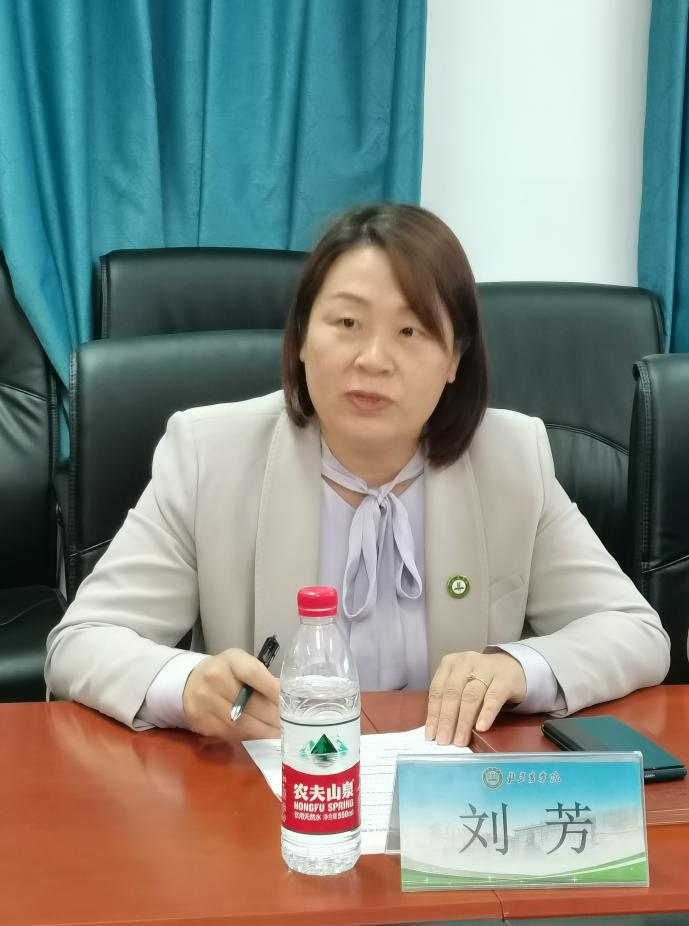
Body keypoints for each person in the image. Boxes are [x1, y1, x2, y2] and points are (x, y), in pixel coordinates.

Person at [45, 203, 670, 747]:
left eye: (410, 330)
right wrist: (186, 686)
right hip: (273, 793)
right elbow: (82, 643)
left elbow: (636, 632)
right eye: (346, 324)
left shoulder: (510, 458)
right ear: (300, 339)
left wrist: (517, 667)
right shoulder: (210, 455)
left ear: (455, 358)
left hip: (444, 798)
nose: (373, 359)